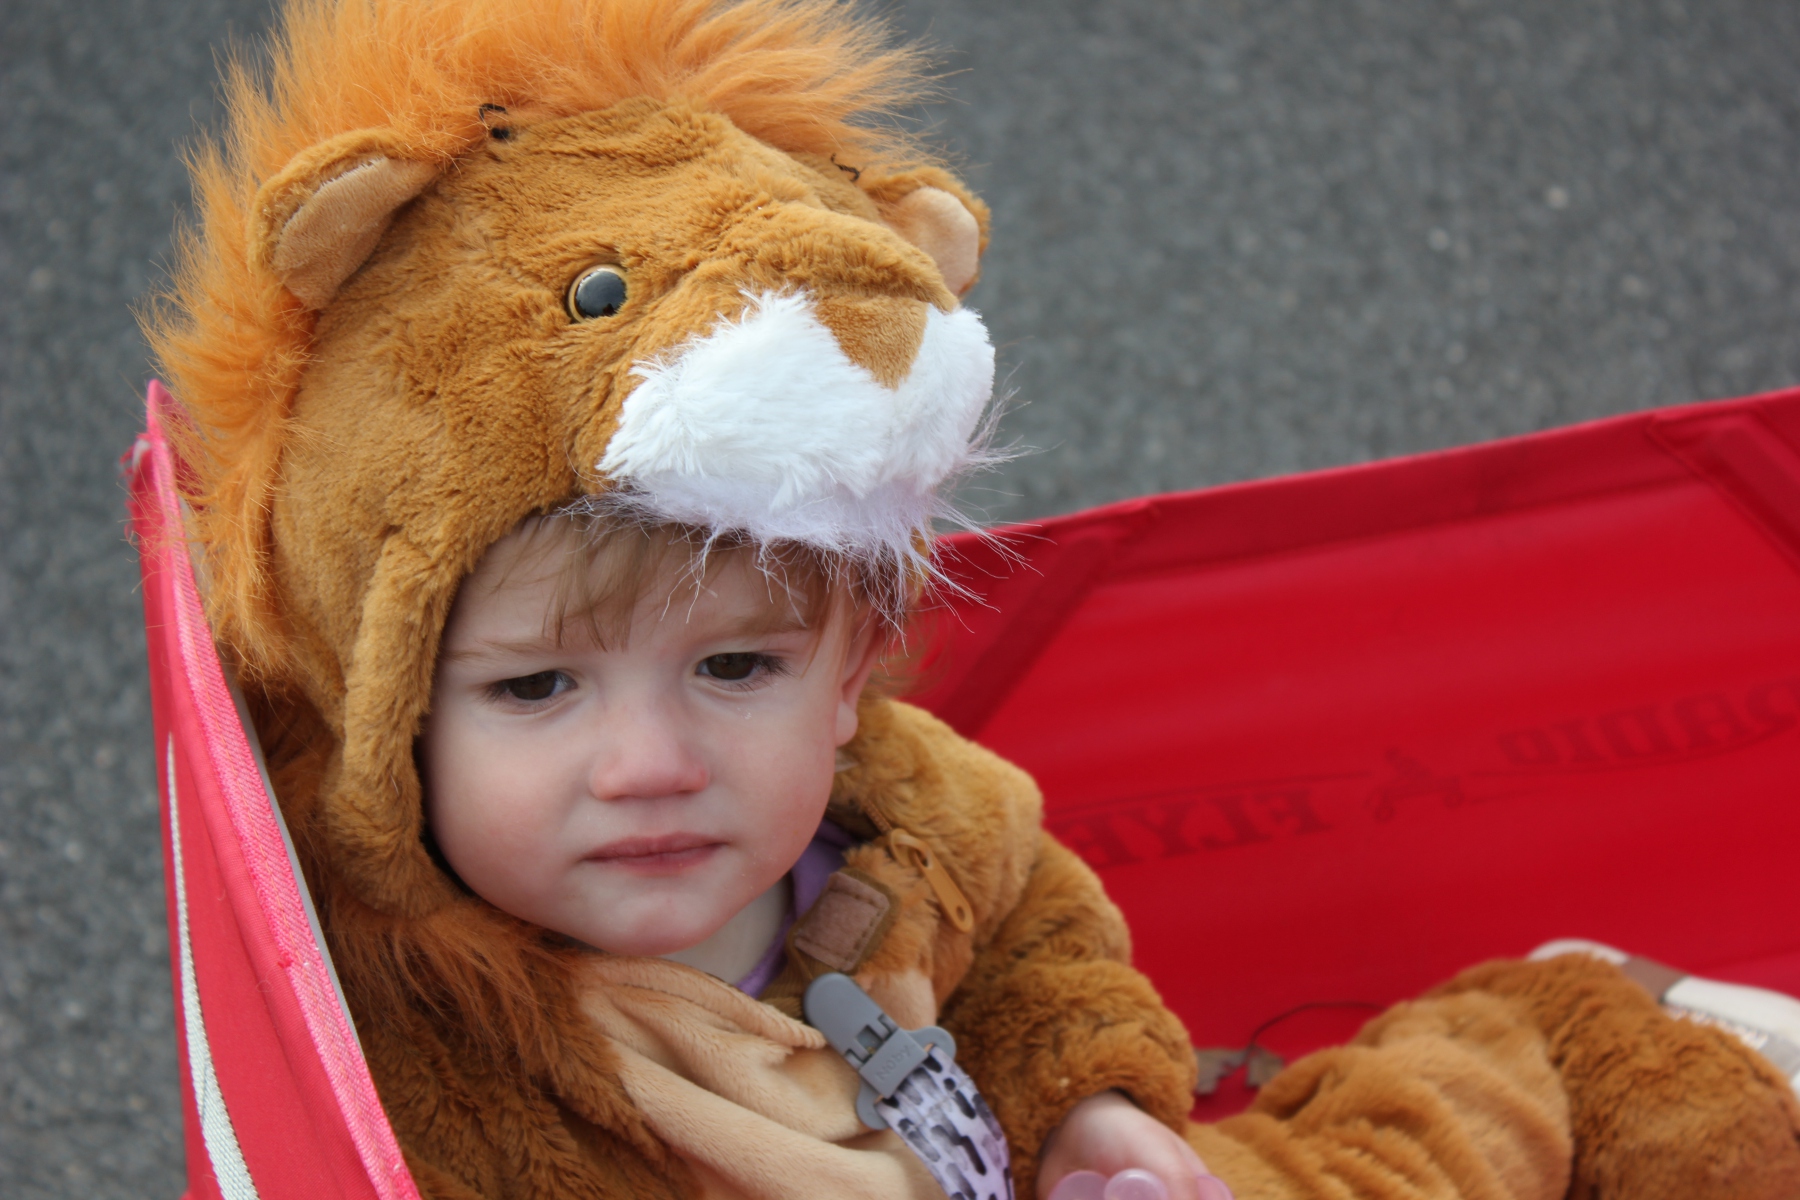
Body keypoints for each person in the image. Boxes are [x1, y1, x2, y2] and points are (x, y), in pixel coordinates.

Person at [147, 1, 1800, 1196]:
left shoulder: (902, 822)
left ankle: (1587, 1017)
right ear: (390, 712)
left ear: (851, 673)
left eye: (735, 668)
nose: (648, 764)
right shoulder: (418, 1040)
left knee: (1480, 1104)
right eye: (535, 690)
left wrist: (1093, 1108)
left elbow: (1031, 944)